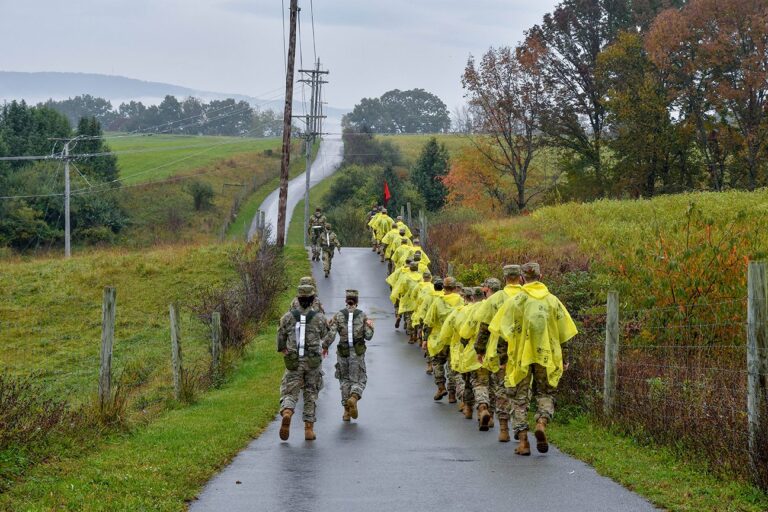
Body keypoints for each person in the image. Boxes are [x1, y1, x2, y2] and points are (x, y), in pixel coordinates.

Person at [500, 262, 578, 455]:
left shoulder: (515, 301)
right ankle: (542, 422)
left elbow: (504, 331)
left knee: (519, 398)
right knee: (546, 393)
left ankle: (524, 442)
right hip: (547, 356)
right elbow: (563, 333)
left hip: (520, 357)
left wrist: (503, 358)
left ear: (522, 278)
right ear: (541, 276)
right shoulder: (553, 301)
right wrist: (564, 358)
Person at [472, 266, 524, 436]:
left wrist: (479, 349)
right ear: (520, 277)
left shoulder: (495, 299)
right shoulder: (527, 297)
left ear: (505, 277)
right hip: (524, 350)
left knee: (500, 388)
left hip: (498, 350)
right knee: (521, 389)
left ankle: (503, 429)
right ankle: (521, 425)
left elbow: (484, 326)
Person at [277, 285, 330, 441]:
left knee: (290, 390)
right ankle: (308, 429)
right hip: (312, 362)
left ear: (298, 299)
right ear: (313, 299)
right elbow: (325, 335)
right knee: (310, 393)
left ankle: (287, 411)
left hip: (294, 360)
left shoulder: (287, 317)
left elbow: (280, 337)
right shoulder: (319, 318)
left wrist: (284, 349)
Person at [323, 289, 375, 421]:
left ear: (346, 301)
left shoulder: (339, 315)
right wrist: (371, 326)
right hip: (357, 353)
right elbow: (368, 336)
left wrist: (325, 346)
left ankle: (346, 412)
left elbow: (332, 334)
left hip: (343, 352)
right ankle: (354, 397)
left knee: (344, 380)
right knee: (359, 379)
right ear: (357, 302)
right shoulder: (362, 315)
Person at [425, 277, 464, 402]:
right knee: (452, 367)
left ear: (443, 287)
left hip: (439, 340)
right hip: (454, 339)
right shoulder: (461, 301)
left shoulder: (437, 302)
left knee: (437, 363)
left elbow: (429, 321)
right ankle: (452, 395)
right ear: (455, 287)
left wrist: (425, 338)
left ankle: (441, 387)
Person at [390, 260, 422, 337]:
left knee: (405, 311)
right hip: (416, 298)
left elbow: (401, 286)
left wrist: (398, 294)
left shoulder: (405, 276)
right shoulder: (420, 277)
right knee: (412, 314)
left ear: (410, 268)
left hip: (406, 297)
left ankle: (400, 317)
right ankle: (411, 329)